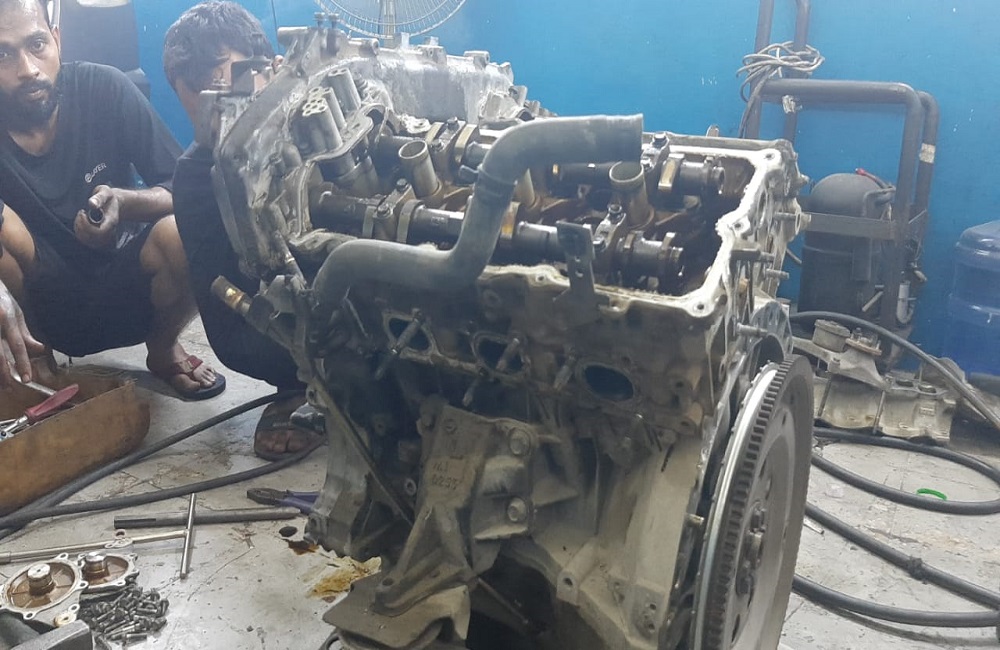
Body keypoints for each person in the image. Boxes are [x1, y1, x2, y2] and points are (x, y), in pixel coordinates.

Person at [0, 0, 225, 399]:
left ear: (57, 40)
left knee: (185, 230)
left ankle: (163, 347)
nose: (28, 69)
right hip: (37, 306)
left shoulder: (104, 88)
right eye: (3, 54)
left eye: (36, 44)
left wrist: (125, 202)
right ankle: (37, 364)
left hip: (128, 286)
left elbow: (187, 189)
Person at [163, 1, 321, 459]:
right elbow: (226, 315)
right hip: (304, 319)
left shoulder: (323, 123)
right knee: (240, 343)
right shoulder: (197, 178)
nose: (218, 119)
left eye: (228, 93)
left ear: (273, 68)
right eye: (200, 106)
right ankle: (301, 385)